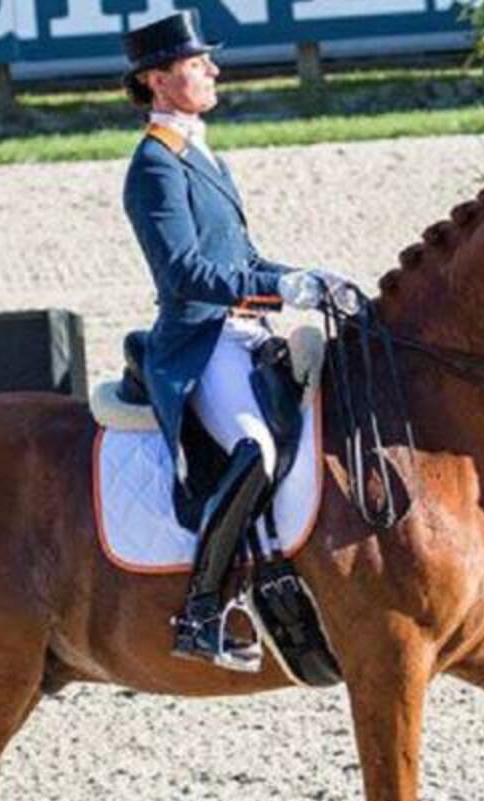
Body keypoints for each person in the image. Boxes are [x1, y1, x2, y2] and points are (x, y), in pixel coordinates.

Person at [121, 10, 356, 667]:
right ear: (159, 80)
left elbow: (243, 259)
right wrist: (283, 293)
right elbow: (186, 273)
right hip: (200, 339)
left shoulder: (201, 156)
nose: (214, 71)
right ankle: (200, 612)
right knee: (254, 449)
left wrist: (308, 278)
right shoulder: (154, 167)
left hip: (245, 331)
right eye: (199, 65)